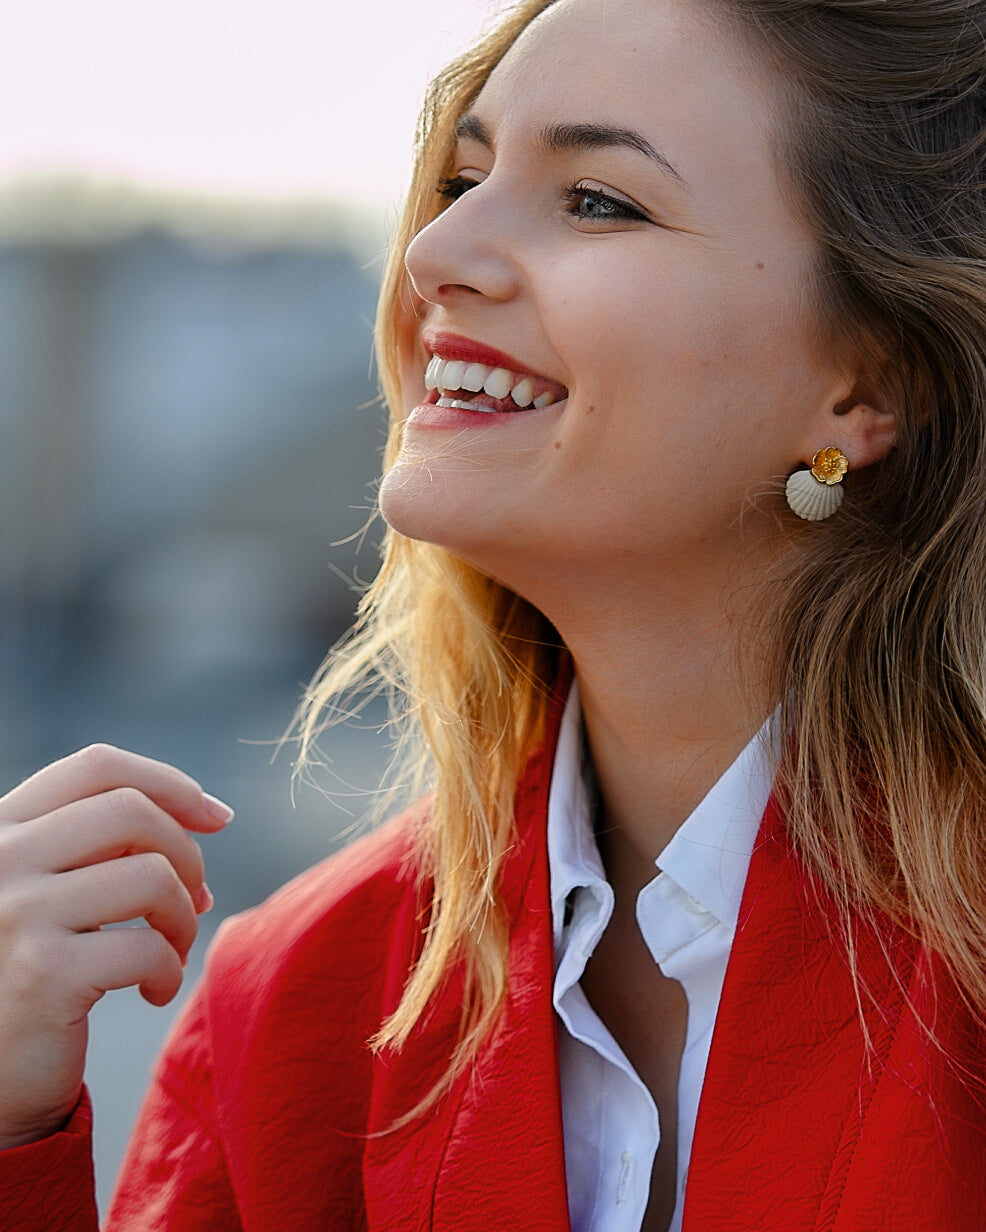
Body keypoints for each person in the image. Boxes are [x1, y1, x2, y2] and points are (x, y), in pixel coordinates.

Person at [2, 0, 986, 1227]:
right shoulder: (298, 1000)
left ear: (868, 381)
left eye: (596, 199)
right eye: (463, 174)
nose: (434, 250)